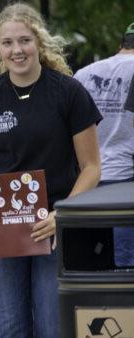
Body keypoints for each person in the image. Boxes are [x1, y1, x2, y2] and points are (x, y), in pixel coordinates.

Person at [0, 3, 102, 337]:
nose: (16, 50)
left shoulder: (68, 92)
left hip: (53, 223)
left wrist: (63, 213)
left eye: (24, 40)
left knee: (53, 325)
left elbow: (91, 167)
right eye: (7, 43)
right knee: (10, 327)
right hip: (4, 221)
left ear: (39, 42)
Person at [74, 22, 134, 267]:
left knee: (94, 265)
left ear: (122, 45)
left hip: (86, 182)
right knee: (127, 267)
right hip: (126, 180)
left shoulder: (84, 74)